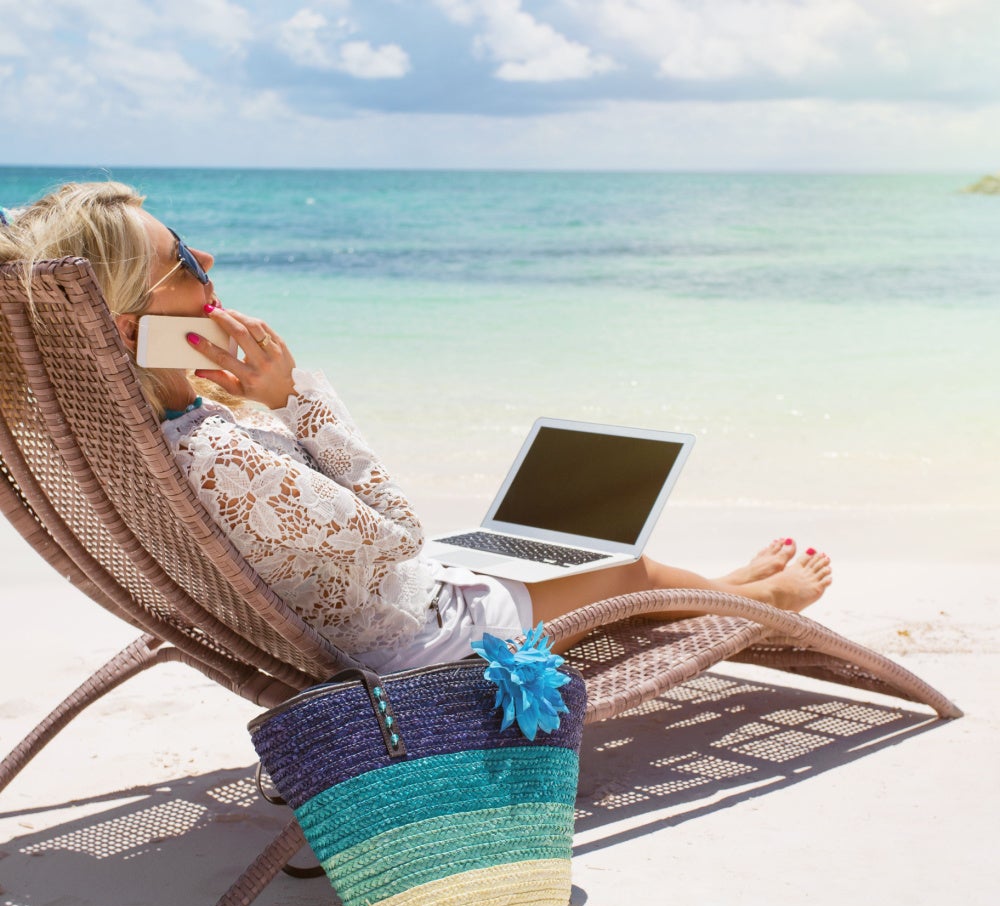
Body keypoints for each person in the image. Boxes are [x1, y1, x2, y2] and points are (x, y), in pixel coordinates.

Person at [0, 181, 832, 672]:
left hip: (347, 615)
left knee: (573, 552)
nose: (208, 262)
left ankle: (731, 592)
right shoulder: (213, 450)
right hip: (415, 643)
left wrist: (237, 401)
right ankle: (759, 601)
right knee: (626, 565)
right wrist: (297, 399)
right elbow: (399, 534)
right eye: (182, 259)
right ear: (120, 324)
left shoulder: (138, 441)